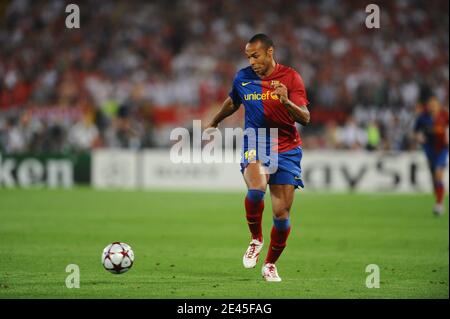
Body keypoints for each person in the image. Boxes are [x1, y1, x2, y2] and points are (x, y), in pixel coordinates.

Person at [207, 34, 310, 282]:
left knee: (281, 216)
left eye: (256, 56)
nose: (252, 61)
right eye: (249, 57)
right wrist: (215, 121)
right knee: (256, 188)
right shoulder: (243, 77)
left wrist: (285, 101)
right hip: (255, 141)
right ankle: (256, 239)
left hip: (286, 148)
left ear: (270, 52)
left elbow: (305, 117)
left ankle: (270, 265)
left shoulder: (291, 77)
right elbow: (234, 101)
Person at [414, 96, 449, 216]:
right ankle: (438, 200)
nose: (432, 107)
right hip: (429, 149)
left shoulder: (445, 115)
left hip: (442, 148)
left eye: (434, 105)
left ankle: (439, 204)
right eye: (430, 105)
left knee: (439, 173)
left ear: (439, 105)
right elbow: (416, 131)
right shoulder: (422, 117)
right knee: (434, 177)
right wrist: (418, 137)